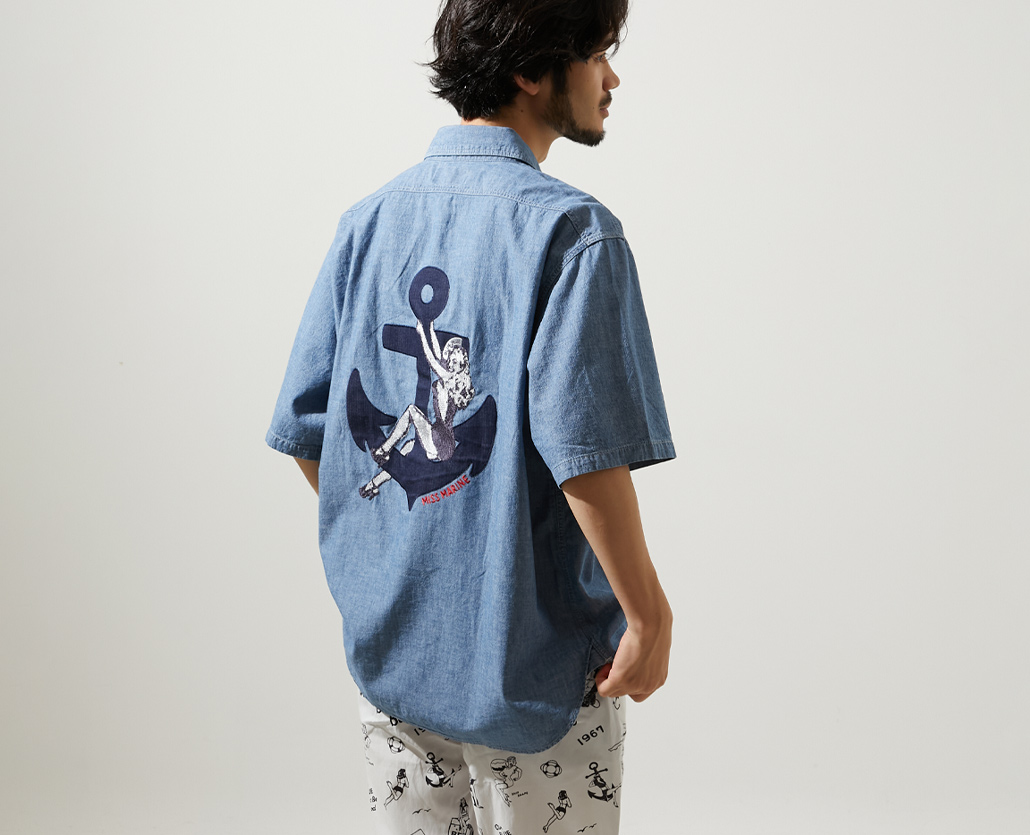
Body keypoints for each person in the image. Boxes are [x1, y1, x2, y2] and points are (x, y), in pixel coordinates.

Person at [266, 1, 676, 832]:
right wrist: (648, 614)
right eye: (597, 53)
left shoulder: (367, 224)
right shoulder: (573, 234)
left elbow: (313, 432)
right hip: (538, 671)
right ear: (531, 71)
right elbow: (587, 452)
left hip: (396, 662)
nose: (612, 77)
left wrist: (415, 538)